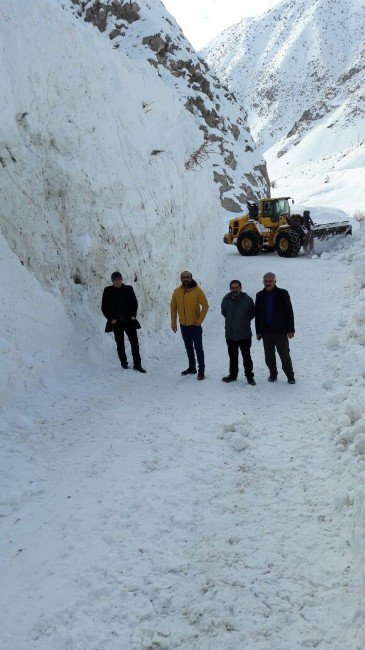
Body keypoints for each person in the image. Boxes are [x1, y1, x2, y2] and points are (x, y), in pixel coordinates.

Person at [255, 272, 296, 384]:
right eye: (266, 281)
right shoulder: (259, 295)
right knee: (269, 356)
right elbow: (257, 315)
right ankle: (273, 374)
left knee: (284, 355)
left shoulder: (283, 293)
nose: (268, 283)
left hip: (281, 331)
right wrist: (258, 331)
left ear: (275, 282)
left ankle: (290, 376)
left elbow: (289, 312)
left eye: (270, 281)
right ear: (263, 282)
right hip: (266, 332)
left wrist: (290, 329)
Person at [101, 271, 146, 373]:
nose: (117, 281)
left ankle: (137, 365)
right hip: (116, 322)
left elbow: (135, 303)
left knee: (134, 343)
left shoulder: (128, 289)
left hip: (129, 320)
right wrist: (110, 319)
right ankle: (124, 364)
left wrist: (133, 315)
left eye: (119, 279)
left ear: (122, 279)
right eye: (115, 280)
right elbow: (104, 307)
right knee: (120, 344)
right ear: (112, 281)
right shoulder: (108, 290)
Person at [170, 271, 209, 380]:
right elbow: (173, 308)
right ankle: (192, 368)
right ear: (181, 279)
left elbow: (205, 306)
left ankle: (201, 371)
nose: (186, 279)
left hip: (195, 326)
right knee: (188, 347)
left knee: (198, 348)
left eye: (188, 277)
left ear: (191, 278)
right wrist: (173, 322)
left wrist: (199, 321)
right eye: (184, 277)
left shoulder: (197, 291)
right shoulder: (177, 292)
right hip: (183, 325)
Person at [221, 280, 256, 385]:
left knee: (246, 356)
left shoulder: (247, 300)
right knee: (232, 356)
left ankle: (249, 376)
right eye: (233, 287)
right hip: (230, 334)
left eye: (237, 287)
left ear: (240, 288)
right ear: (230, 288)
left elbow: (252, 314)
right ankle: (233, 375)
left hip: (244, 334)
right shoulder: (226, 299)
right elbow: (224, 312)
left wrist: (242, 322)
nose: (235, 289)